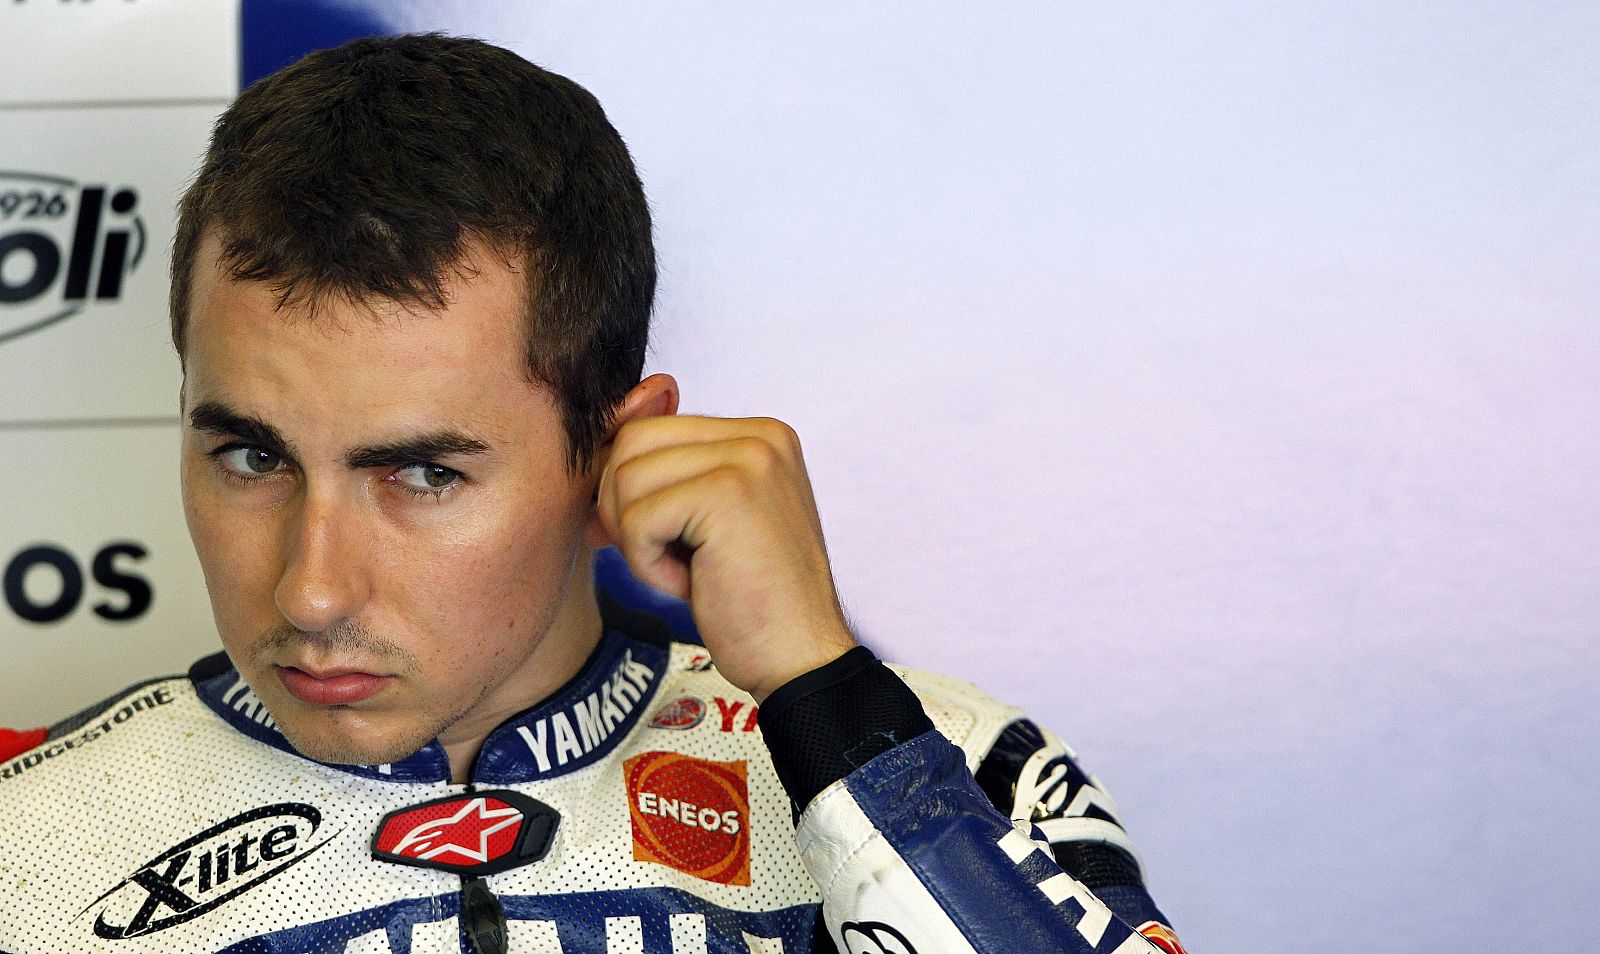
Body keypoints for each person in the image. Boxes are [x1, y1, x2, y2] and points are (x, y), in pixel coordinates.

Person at [0, 34, 1188, 954]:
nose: (311, 591)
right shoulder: (26, 848)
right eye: (253, 458)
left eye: (422, 473)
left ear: (613, 456)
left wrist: (828, 704)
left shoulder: (961, 769)